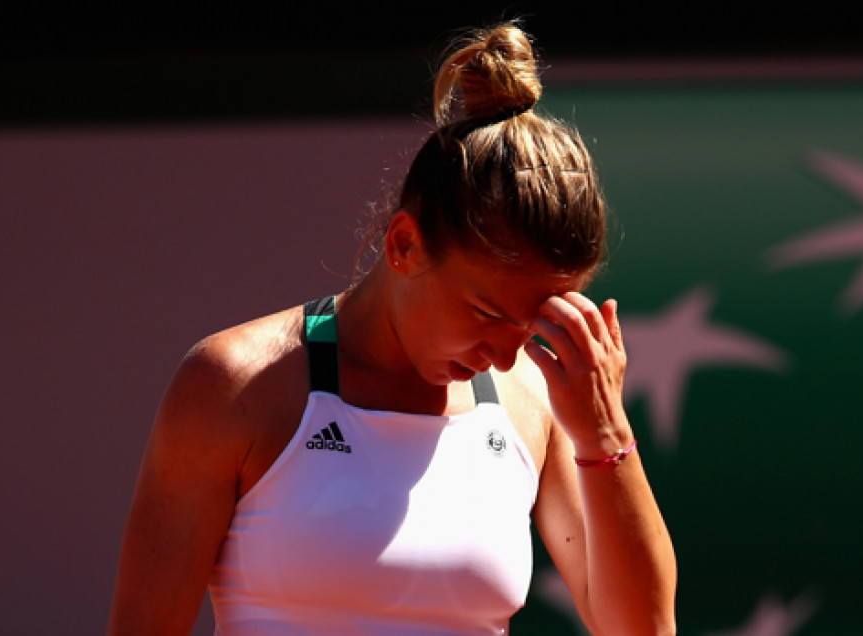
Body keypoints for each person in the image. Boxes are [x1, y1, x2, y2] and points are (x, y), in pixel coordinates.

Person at [107, 21, 677, 636]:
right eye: (487, 313)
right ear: (404, 245)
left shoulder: (536, 402)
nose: (507, 358)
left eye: (534, 323)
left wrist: (605, 433)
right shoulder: (234, 383)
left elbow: (642, 631)